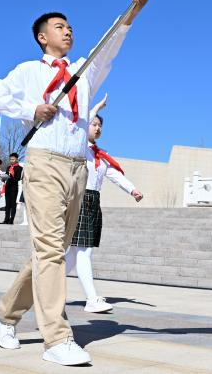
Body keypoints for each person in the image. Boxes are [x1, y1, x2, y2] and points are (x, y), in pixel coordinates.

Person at [0, 0, 150, 366]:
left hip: (78, 167)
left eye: (70, 26)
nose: (68, 31)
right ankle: (56, 338)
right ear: (43, 36)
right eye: (60, 27)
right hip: (43, 163)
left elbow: (110, 45)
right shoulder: (28, 71)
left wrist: (132, 13)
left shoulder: (83, 71)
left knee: (50, 252)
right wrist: (32, 107)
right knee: (51, 251)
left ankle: (3, 316)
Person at [66, 95, 143, 313]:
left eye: (100, 125)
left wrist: (132, 190)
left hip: (92, 202)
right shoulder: (79, 146)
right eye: (94, 124)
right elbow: (80, 124)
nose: (98, 128)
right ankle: (92, 299)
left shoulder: (100, 156)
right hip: (79, 199)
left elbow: (114, 175)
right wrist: (96, 107)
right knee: (83, 252)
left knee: (71, 257)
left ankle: (41, 289)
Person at [2, 152, 23, 224]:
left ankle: (11, 220)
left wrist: (10, 178)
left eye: (13, 159)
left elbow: (18, 178)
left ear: (16, 159)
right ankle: (6, 219)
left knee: (13, 204)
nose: (11, 160)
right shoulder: (8, 167)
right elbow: (6, 176)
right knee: (7, 204)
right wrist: (3, 178)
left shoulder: (20, 168)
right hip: (7, 187)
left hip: (14, 188)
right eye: (10, 159)